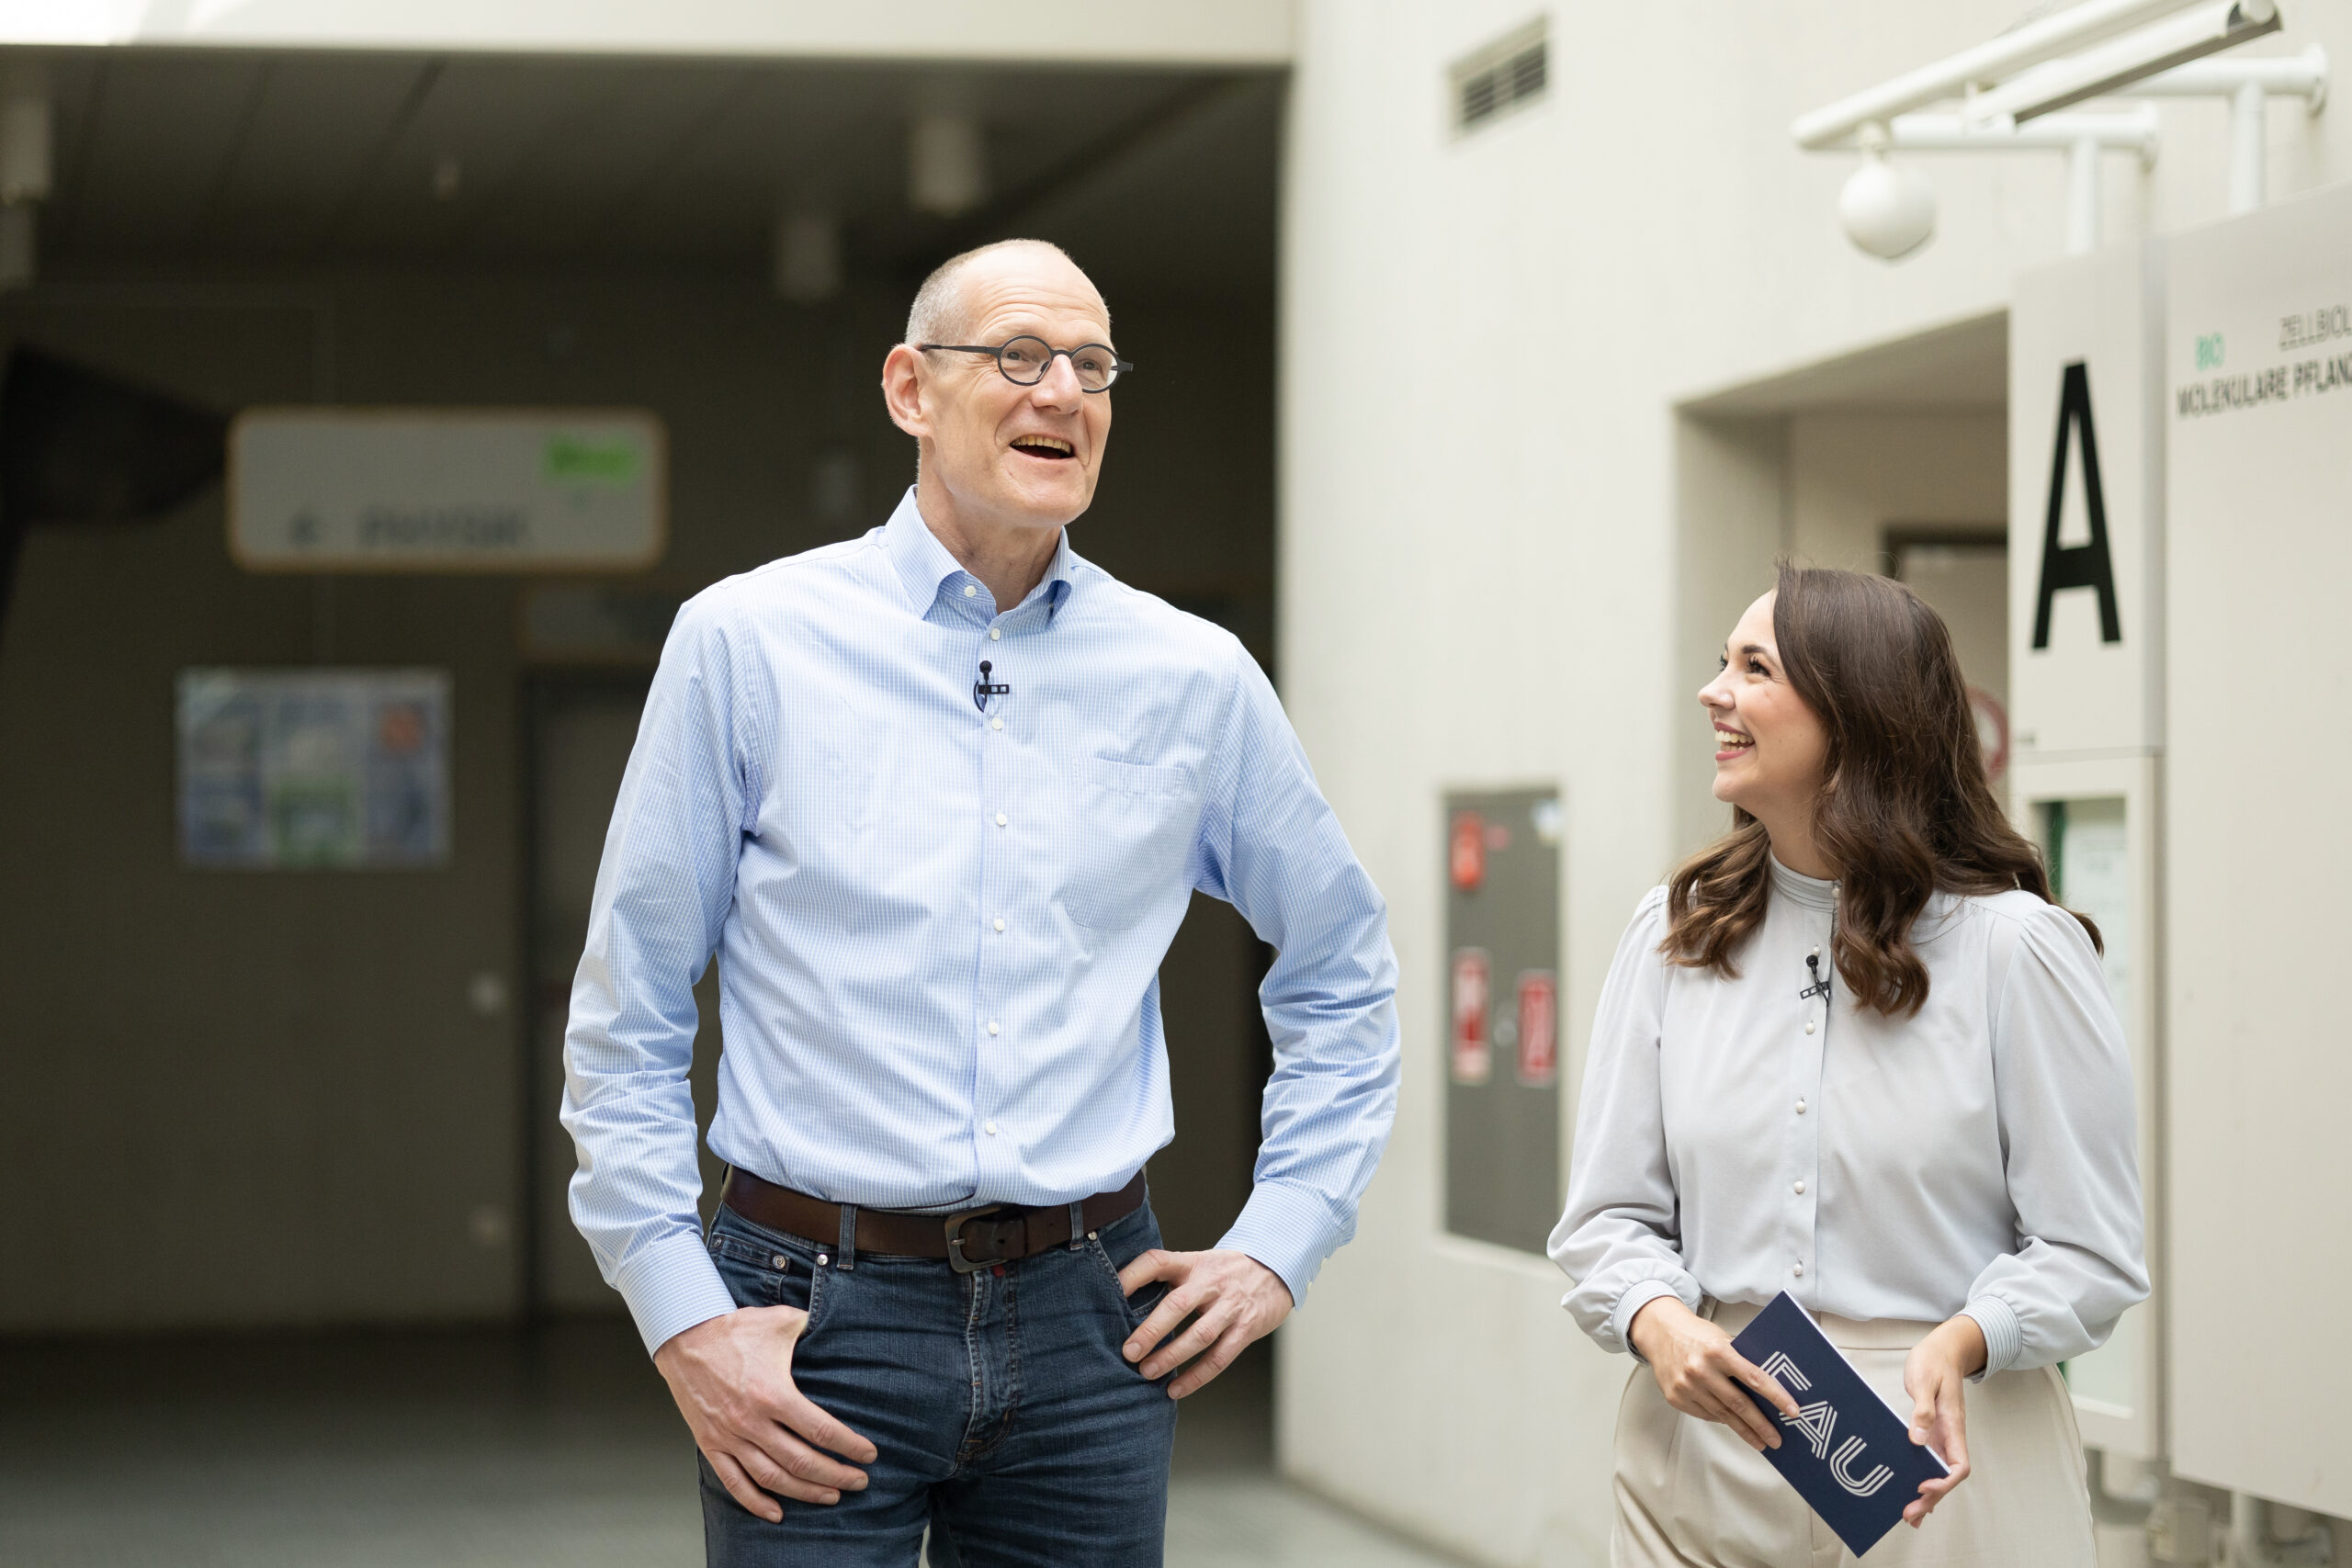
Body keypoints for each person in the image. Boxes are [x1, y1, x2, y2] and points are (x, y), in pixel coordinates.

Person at [558, 237, 1398, 1567]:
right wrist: (683, 1316)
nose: (1061, 390)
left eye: (1093, 364)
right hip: (808, 1309)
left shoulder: (1194, 676)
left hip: (1091, 1308)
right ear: (909, 389)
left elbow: (1344, 965)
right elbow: (631, 1006)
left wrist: (1281, 1239)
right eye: (1016, 355)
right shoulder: (748, 642)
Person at [1550, 564, 2147, 1567]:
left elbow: (2091, 1252)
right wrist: (1656, 1321)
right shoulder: (1673, 934)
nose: (1714, 692)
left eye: (1754, 668)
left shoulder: (2016, 950)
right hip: (1706, 1444)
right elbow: (1605, 1216)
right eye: (1721, 664)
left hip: (1943, 1454)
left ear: (1855, 714)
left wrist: (1962, 1340)